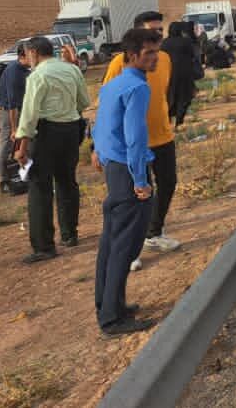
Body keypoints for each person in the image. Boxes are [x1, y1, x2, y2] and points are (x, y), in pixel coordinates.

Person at [92, 28, 160, 337]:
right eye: (148, 53)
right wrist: (140, 180)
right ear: (132, 56)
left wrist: (100, 153)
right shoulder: (138, 87)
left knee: (111, 241)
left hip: (113, 167)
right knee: (125, 245)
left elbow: (102, 123)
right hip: (129, 171)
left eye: (155, 51)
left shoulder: (113, 84)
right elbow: (134, 138)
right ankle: (112, 319)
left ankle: (109, 304)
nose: (154, 58)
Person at [101, 11, 181, 266]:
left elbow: (164, 94)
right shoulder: (119, 64)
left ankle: (154, 233)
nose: (158, 35)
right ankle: (131, 251)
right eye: (153, 31)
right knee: (138, 195)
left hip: (162, 137)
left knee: (168, 184)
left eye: (160, 30)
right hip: (133, 143)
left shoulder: (165, 59)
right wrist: (98, 145)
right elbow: (108, 101)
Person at [14, 36, 89, 263]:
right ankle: (70, 234)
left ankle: (44, 247)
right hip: (70, 131)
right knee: (67, 181)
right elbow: (83, 102)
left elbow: (29, 116)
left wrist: (21, 147)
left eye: (27, 55)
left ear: (34, 53)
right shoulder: (72, 70)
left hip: (46, 134)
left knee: (39, 188)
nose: (28, 59)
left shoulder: (38, 76)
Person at [0, 45, 30, 195]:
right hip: (9, 113)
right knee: (8, 145)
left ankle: (21, 177)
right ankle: (5, 180)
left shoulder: (23, 70)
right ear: (24, 55)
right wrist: (14, 127)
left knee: (21, 145)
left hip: (17, 111)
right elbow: (12, 104)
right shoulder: (14, 71)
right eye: (32, 54)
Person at [161, 22, 202, 128]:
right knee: (184, 96)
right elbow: (193, 54)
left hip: (169, 74)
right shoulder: (186, 42)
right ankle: (179, 121)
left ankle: (168, 119)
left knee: (169, 96)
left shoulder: (164, 43)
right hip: (185, 74)